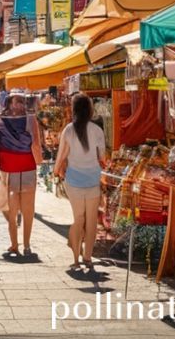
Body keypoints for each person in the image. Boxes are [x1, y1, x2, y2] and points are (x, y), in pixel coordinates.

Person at [54, 93, 106, 270]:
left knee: (78, 218)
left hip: (74, 181)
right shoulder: (97, 130)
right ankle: (88, 257)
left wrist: (56, 172)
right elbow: (102, 158)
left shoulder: (68, 130)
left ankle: (76, 257)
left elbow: (61, 155)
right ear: (90, 110)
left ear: (74, 110)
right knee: (91, 221)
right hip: (92, 180)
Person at [0, 93, 43, 256]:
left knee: (11, 208)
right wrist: (40, 161)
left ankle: (15, 244)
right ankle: (27, 245)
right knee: (28, 208)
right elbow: (36, 144)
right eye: (19, 102)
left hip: (8, 169)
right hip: (27, 166)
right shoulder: (31, 120)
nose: (19, 105)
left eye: (21, 102)